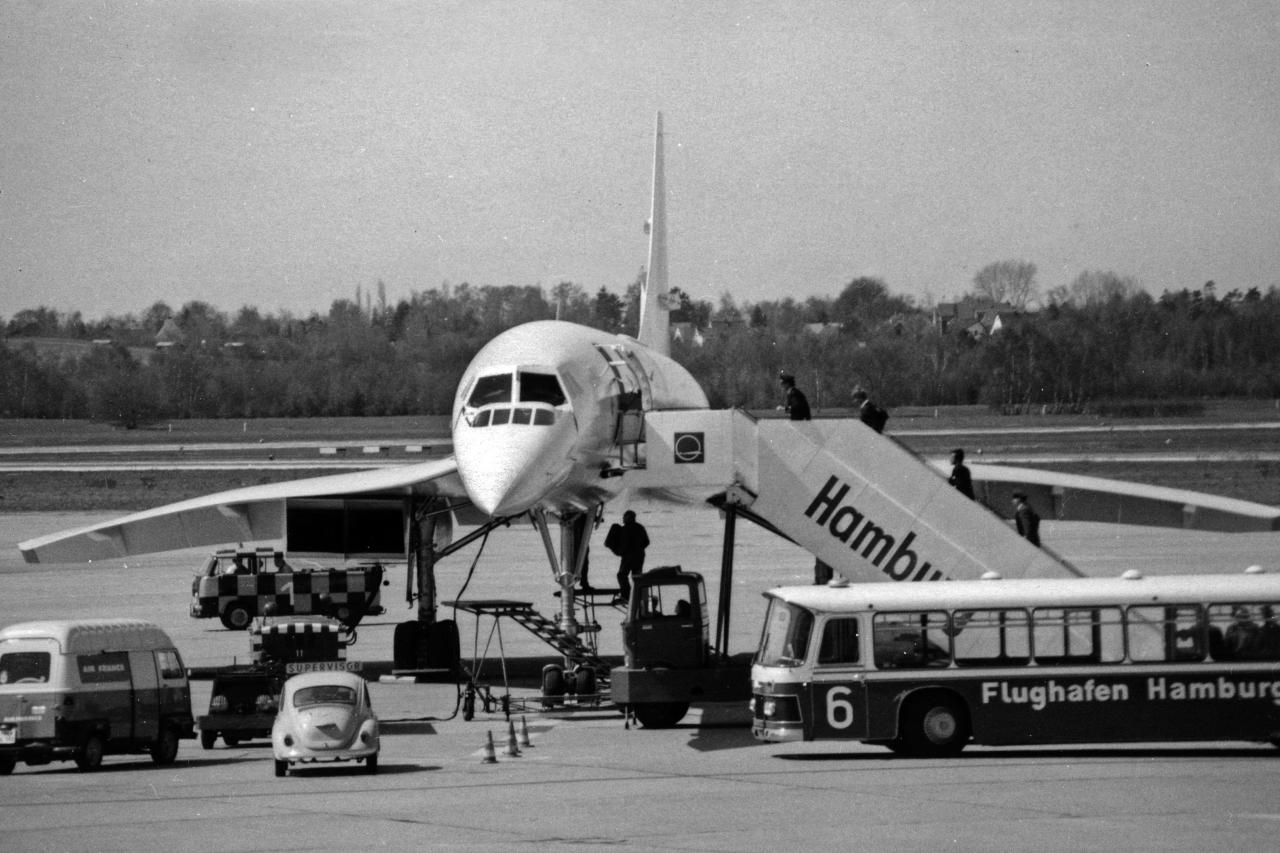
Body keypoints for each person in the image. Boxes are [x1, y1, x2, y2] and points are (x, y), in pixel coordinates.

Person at [606, 510, 649, 604]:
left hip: (629, 557)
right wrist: (639, 548)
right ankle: (637, 595)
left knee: (621, 575)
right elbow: (647, 542)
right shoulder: (640, 527)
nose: (622, 518)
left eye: (624, 517)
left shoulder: (626, 529)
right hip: (640, 556)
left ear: (628, 518)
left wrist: (618, 552)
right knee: (636, 577)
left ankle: (626, 595)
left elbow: (624, 545)